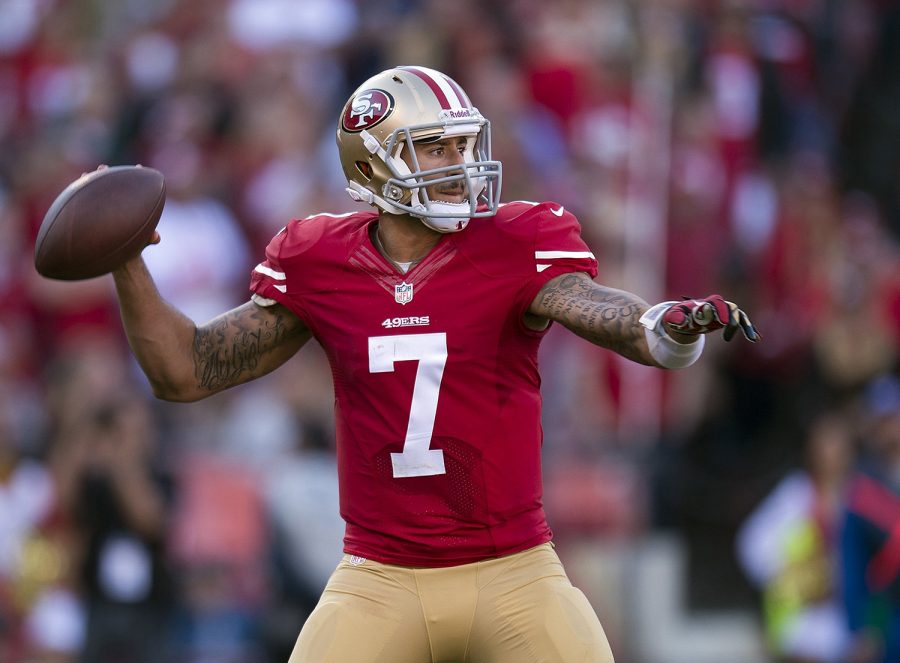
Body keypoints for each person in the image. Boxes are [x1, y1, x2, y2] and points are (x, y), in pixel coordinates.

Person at [108, 65, 759, 662]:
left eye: (463, 144)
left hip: (515, 571)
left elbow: (591, 306)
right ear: (375, 160)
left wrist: (662, 325)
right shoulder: (317, 259)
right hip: (380, 576)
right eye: (437, 147)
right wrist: (125, 259)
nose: (461, 163)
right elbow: (186, 370)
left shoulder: (514, 240)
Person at [736, 411, 855, 662]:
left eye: (837, 443)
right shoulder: (794, 495)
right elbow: (751, 545)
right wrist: (790, 574)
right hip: (803, 619)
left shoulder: (861, 495)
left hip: (849, 616)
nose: (830, 452)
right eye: (824, 442)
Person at [841, 375, 900, 663]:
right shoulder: (862, 490)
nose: (890, 428)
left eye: (894, 418)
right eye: (883, 421)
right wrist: (860, 630)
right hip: (885, 618)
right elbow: (852, 565)